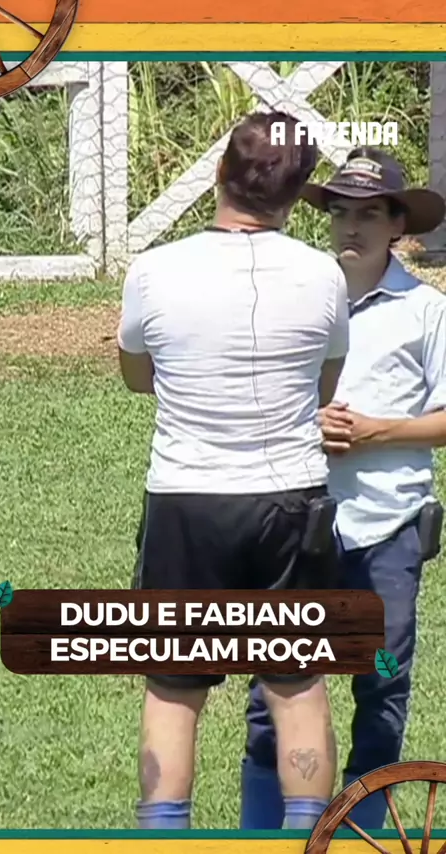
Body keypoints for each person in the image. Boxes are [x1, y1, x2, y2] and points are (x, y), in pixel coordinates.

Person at [117, 111, 350, 831]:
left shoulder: (154, 270)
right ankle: (307, 837)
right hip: (291, 501)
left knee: (174, 691)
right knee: (297, 685)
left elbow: (136, 375)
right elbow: (325, 385)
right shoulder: (324, 275)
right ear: (297, 194)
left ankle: (164, 840)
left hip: (187, 501)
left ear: (220, 173)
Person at [240, 146, 446, 831]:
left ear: (399, 226)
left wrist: (377, 432)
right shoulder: (296, 301)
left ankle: (358, 836)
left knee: (381, 685)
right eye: (340, 213)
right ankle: (266, 836)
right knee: (274, 690)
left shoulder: (427, 311)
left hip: (388, 529)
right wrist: (308, 422)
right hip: (296, 522)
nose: (351, 227)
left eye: (370, 214)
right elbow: (254, 395)